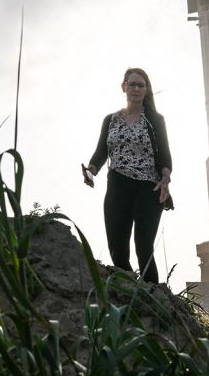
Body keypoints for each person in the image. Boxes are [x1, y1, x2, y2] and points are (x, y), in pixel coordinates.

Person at [82, 67, 173, 283]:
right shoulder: (110, 120)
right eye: (132, 84)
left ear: (147, 90)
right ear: (124, 87)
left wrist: (165, 179)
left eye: (141, 85)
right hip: (117, 186)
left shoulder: (155, 120)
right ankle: (128, 293)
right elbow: (101, 153)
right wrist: (90, 170)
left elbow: (166, 157)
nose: (136, 89)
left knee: (144, 247)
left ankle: (154, 298)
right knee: (117, 249)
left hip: (149, 188)